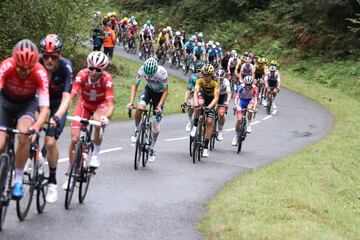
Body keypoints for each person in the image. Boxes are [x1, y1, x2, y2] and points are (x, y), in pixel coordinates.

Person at [0, 39, 50, 199]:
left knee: (24, 135)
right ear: (15, 61)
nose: (24, 71)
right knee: (0, 142)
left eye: (28, 68)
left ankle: (18, 180)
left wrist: (36, 127)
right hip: (5, 102)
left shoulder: (40, 72)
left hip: (27, 105)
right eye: (21, 67)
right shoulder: (7, 65)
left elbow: (44, 109)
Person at [63, 51, 114, 189]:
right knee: (74, 139)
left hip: (100, 105)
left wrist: (106, 117)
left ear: (103, 70)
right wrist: (65, 110)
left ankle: (96, 153)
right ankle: (71, 171)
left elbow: (110, 104)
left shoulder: (107, 79)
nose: (94, 71)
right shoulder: (82, 75)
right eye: (91, 67)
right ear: (87, 65)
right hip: (84, 104)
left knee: (98, 121)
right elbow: (72, 95)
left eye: (98, 69)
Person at [38, 34, 73, 202]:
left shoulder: (66, 67)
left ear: (59, 55)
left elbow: (67, 97)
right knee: (28, 130)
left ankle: (52, 180)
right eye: (46, 56)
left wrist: (58, 116)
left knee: (50, 142)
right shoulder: (36, 63)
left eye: (54, 56)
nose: (49, 60)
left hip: (58, 103)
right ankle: (32, 157)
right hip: (39, 101)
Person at [127, 58, 169, 162]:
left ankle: (152, 148)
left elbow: (165, 91)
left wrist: (159, 106)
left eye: (151, 74)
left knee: (155, 123)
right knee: (140, 108)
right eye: (147, 74)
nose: (149, 76)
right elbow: (135, 86)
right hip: (148, 90)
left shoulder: (162, 73)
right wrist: (131, 102)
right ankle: (137, 128)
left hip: (159, 95)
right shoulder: (142, 69)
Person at [190, 64, 219, 158]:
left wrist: (210, 107)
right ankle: (195, 125)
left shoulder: (215, 82)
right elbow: (195, 93)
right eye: (204, 75)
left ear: (211, 75)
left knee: (209, 122)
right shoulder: (199, 80)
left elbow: (216, 97)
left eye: (208, 75)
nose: (206, 77)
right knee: (198, 104)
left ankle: (206, 147)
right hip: (203, 96)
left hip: (212, 100)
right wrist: (195, 102)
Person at [232, 76, 258, 145]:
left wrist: (254, 108)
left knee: (250, 109)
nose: (248, 86)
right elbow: (236, 98)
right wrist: (235, 105)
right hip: (241, 101)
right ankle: (236, 136)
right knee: (239, 119)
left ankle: (249, 123)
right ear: (244, 83)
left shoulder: (254, 88)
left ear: (251, 84)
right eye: (246, 84)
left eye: (249, 85)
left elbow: (255, 99)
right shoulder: (241, 87)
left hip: (250, 101)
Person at [181, 61, 203, 131]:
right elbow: (189, 89)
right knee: (192, 105)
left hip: (203, 94)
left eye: (201, 71)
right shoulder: (193, 77)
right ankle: (189, 121)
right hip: (193, 94)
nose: (199, 73)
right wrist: (185, 101)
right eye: (198, 71)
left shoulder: (207, 77)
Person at [214, 69, 231, 141]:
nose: (219, 80)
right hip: (214, 96)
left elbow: (229, 93)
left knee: (221, 114)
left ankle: (220, 131)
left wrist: (227, 101)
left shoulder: (226, 81)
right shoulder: (213, 80)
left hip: (223, 97)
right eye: (218, 79)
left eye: (221, 79)